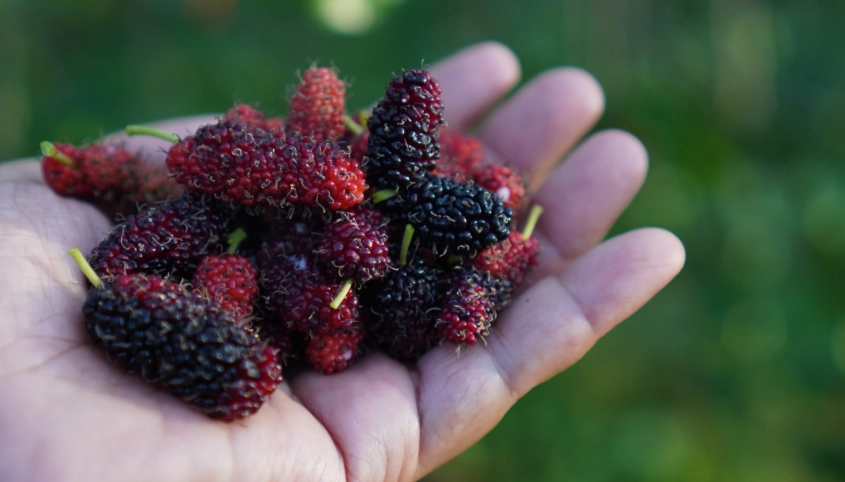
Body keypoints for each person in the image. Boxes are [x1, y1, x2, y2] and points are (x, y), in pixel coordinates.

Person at [0, 42, 685, 481]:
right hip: (285, 251)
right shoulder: (248, 236)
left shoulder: (385, 221)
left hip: (358, 249)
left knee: (353, 233)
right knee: (252, 248)